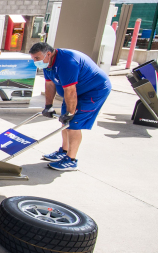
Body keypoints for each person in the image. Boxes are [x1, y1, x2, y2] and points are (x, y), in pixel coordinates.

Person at [29, 42, 111, 171]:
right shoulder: (47, 63)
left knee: (73, 123)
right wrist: (48, 106)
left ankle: (71, 160)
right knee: (64, 121)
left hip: (93, 91)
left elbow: (70, 91)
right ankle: (64, 151)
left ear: (48, 54)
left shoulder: (67, 62)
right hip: (75, 92)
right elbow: (49, 84)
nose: (35, 61)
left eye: (37, 58)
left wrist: (70, 112)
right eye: (33, 58)